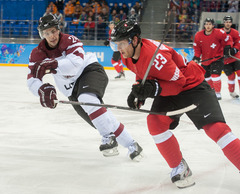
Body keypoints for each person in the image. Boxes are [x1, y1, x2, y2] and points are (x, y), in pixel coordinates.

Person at [111, 19, 240, 188]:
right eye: (116, 45)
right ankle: (180, 168)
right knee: (155, 123)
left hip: (192, 86)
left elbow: (178, 83)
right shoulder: (127, 55)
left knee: (216, 129)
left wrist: (153, 89)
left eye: (121, 44)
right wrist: (139, 90)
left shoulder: (157, 57)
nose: (119, 49)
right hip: (170, 88)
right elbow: (143, 72)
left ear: (135, 40)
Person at [27, 14, 143, 161]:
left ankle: (108, 138)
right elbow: (32, 78)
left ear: (58, 29)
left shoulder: (70, 41)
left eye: (53, 31)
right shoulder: (37, 53)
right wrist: (41, 89)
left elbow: (74, 66)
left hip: (90, 71)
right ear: (42, 34)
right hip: (72, 91)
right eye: (47, 33)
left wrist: (53, 65)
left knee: (87, 99)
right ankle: (132, 145)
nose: (51, 36)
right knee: (102, 120)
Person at [192, 18, 232, 100]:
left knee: (215, 76)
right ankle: (212, 91)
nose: (208, 26)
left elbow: (228, 40)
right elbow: (197, 48)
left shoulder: (219, 33)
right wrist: (196, 56)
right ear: (204, 25)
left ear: (213, 25)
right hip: (205, 60)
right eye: (206, 24)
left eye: (210, 24)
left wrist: (227, 48)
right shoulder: (198, 35)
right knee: (206, 78)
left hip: (217, 58)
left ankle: (217, 93)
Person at [222, 15, 240, 98]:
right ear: (224, 23)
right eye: (226, 22)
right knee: (231, 76)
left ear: (231, 23)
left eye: (229, 22)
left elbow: (238, 42)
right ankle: (232, 92)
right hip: (225, 60)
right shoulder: (219, 32)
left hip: (236, 57)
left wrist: (235, 49)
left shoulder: (235, 32)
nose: (228, 24)